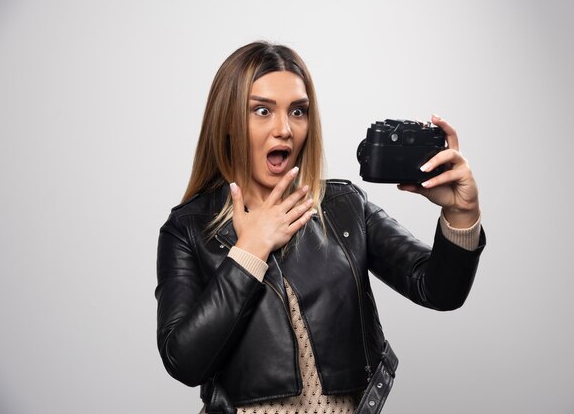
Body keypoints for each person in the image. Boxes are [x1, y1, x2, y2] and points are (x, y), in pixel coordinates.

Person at [155, 41, 485, 414]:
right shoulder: (187, 229)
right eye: (262, 110)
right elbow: (183, 361)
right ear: (228, 121)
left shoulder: (343, 207)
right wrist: (250, 251)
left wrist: (461, 213)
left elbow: (439, 290)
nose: (284, 129)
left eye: (298, 111)